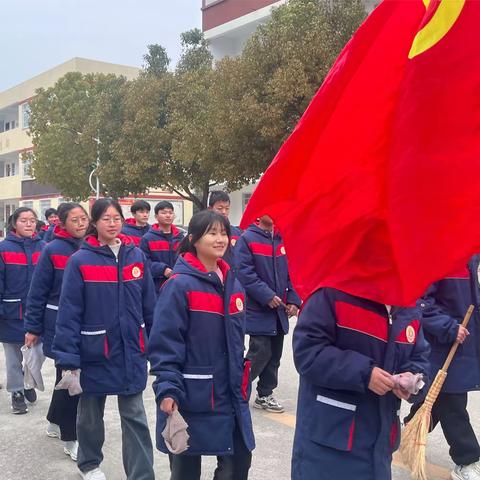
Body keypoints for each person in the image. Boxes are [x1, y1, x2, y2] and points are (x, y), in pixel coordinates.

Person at [52, 198, 156, 480]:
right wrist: (68, 359)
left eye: (117, 218)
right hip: (94, 351)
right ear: (94, 223)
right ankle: (89, 463)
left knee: (135, 415)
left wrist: (156, 348)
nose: (112, 223)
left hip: (131, 350)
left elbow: (150, 306)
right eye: (106, 218)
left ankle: (142, 474)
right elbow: (69, 313)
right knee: (90, 414)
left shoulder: (137, 256)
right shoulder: (80, 261)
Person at [149, 210, 255, 480]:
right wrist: (168, 389)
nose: (220, 239)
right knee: (185, 470)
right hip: (191, 394)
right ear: (194, 239)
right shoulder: (179, 286)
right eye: (212, 233)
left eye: (223, 233)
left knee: (238, 463)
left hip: (229, 392)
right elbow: (165, 344)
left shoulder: (233, 283)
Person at [291, 288, 430, 480]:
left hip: (380, 448)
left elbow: (420, 358)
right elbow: (307, 353)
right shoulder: (331, 294)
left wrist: (414, 381)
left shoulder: (409, 308)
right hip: (328, 445)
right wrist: (365, 374)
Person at [24, 202, 89, 461]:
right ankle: (71, 438)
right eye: (75, 220)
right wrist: (32, 327)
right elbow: (37, 292)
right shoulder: (52, 250)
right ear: (61, 223)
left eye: (84, 218)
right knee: (71, 378)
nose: (81, 223)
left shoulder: (92, 247)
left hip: (87, 324)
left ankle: (53, 420)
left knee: (67, 377)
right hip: (59, 325)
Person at [406, 258, 480, 480]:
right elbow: (419, 302)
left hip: (467, 346)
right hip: (443, 346)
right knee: (453, 403)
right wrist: (448, 327)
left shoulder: (474, 258)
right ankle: (467, 459)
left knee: (436, 399)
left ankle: (410, 428)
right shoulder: (438, 257)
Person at [235, 215, 301, 413]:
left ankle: (265, 394)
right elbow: (244, 273)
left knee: (275, 356)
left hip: (279, 311)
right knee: (259, 352)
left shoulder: (284, 239)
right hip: (259, 309)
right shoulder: (248, 239)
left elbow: (294, 272)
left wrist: (294, 300)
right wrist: (266, 295)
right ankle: (238, 390)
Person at [0, 207, 45, 414]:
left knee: (36, 354)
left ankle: (28, 383)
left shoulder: (44, 247)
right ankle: (17, 392)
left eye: (32, 220)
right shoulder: (4, 249)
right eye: (24, 220)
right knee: (13, 356)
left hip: (37, 312)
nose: (29, 224)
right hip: (11, 312)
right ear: (14, 223)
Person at [140, 200, 185, 293]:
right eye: (164, 213)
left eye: (170, 213)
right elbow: (143, 262)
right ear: (156, 216)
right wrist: (162, 269)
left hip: (179, 284)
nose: (168, 215)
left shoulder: (180, 237)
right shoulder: (148, 238)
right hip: (156, 286)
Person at [208, 190, 242, 266]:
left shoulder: (237, 233)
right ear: (210, 209)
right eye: (220, 208)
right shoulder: (205, 233)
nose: (224, 212)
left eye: (227, 208)